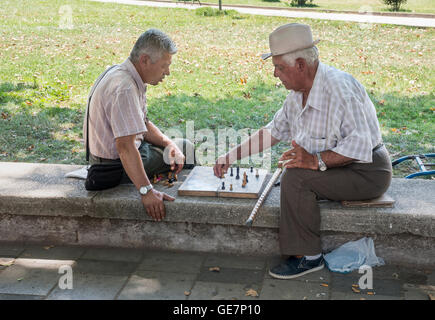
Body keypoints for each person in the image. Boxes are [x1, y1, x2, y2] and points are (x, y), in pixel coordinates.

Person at [213, 23, 392, 279]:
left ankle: (309, 257)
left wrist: (315, 160)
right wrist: (230, 156)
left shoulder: (340, 89)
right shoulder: (297, 94)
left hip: (367, 171)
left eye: (279, 67)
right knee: (296, 170)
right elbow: (272, 132)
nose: (275, 74)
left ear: (300, 65)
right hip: (340, 167)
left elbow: (360, 146)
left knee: (296, 178)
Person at [84, 29, 196, 223]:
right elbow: (125, 147)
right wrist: (146, 192)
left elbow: (142, 123)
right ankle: (192, 213)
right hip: (112, 168)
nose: (167, 72)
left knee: (179, 147)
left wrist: (168, 143)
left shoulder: (124, 73)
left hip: (120, 155)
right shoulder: (125, 88)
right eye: (164, 66)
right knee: (188, 149)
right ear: (144, 60)